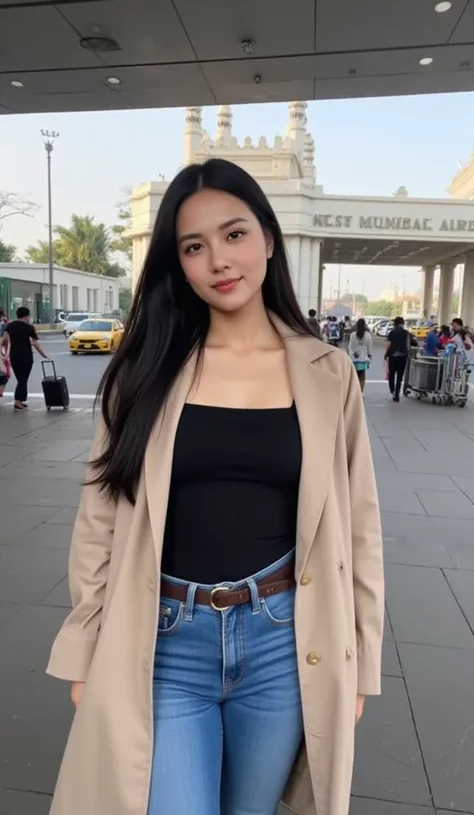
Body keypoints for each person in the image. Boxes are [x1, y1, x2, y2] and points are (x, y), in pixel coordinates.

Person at [46, 158, 384, 815]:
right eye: (194, 247)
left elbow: (360, 526)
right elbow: (100, 519)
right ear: (179, 264)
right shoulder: (145, 370)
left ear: (268, 238)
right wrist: (84, 649)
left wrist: (360, 660)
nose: (218, 261)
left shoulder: (327, 372)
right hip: (165, 639)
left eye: (233, 235)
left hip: (283, 640)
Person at [0, 306, 49, 410]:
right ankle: (18, 401)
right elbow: (35, 343)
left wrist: (2, 353)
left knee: (21, 379)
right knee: (23, 379)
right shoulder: (29, 328)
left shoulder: (10, 326)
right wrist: (43, 355)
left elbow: (3, 340)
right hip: (26, 357)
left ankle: (21, 400)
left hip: (14, 356)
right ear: (26, 316)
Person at [385, 316, 418, 402]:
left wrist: (386, 354)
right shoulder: (406, 333)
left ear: (395, 324)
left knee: (391, 374)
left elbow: (388, 344)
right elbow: (414, 343)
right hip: (403, 357)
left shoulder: (391, 333)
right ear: (402, 324)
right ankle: (397, 394)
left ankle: (393, 391)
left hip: (393, 356)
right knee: (399, 376)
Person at [348, 318, 372, 392]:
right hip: (363, 358)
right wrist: (369, 354)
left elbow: (350, 346)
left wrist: (353, 353)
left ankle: (354, 391)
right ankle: (361, 392)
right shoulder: (367, 335)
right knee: (362, 375)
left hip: (354, 358)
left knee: (354, 376)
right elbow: (369, 345)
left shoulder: (353, 335)